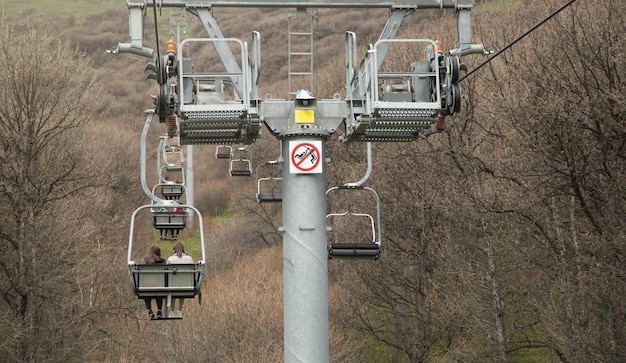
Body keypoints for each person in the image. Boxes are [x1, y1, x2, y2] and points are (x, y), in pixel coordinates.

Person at [167, 242, 194, 318]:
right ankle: (180, 310)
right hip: (186, 284)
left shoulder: (170, 259)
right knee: (182, 290)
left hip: (172, 284)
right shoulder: (189, 259)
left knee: (173, 290)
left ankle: (172, 311)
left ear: (174, 250)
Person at [140, 244, 166, 320]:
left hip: (147, 286)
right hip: (159, 285)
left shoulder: (144, 261)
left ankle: (149, 310)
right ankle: (159, 310)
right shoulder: (163, 262)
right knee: (159, 291)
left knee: (146, 292)